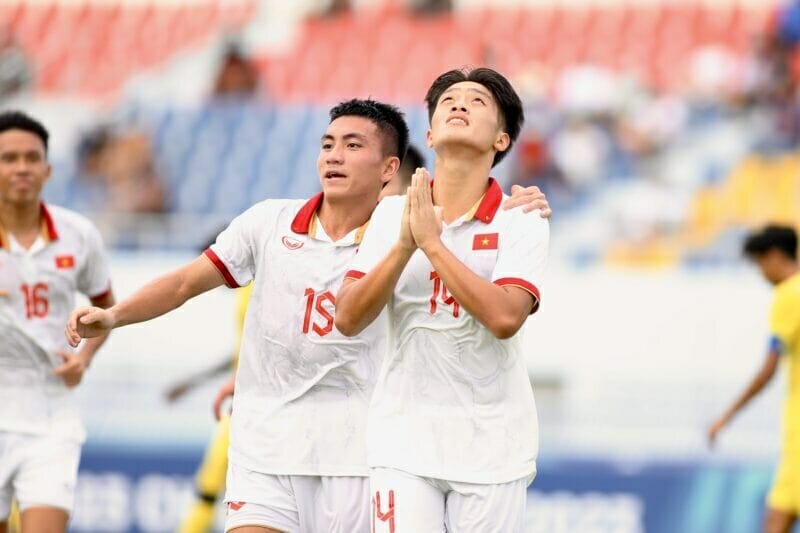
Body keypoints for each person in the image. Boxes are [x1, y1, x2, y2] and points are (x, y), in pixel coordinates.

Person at [66, 98, 550, 533]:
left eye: (352, 145)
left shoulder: (400, 236)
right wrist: (115, 315)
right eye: (327, 144)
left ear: (390, 169)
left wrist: (514, 204)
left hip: (359, 456)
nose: (333, 155)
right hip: (266, 446)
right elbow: (184, 282)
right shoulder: (268, 223)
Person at [336, 67, 548, 532]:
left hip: (494, 448)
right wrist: (404, 246)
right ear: (430, 134)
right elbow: (347, 317)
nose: (459, 105)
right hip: (402, 444)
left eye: (477, 102)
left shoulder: (522, 219)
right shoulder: (391, 215)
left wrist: (432, 244)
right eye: (449, 100)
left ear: (502, 140)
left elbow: (506, 317)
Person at [0, 111, 115, 533]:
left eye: (31, 157)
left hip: (51, 411)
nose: (21, 168)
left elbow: (107, 310)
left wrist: (84, 358)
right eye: (8, 158)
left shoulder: (78, 234)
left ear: (47, 168)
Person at [708, 224, 800, 533]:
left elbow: (768, 370)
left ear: (774, 257)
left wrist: (726, 416)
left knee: (776, 521)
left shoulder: (788, 296)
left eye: (760, 263)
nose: (761, 274)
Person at [171, 283, 252, 533]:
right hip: (244, 399)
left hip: (255, 403)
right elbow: (241, 355)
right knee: (210, 489)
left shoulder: (253, 290)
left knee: (210, 490)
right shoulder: (247, 292)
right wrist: (192, 382)